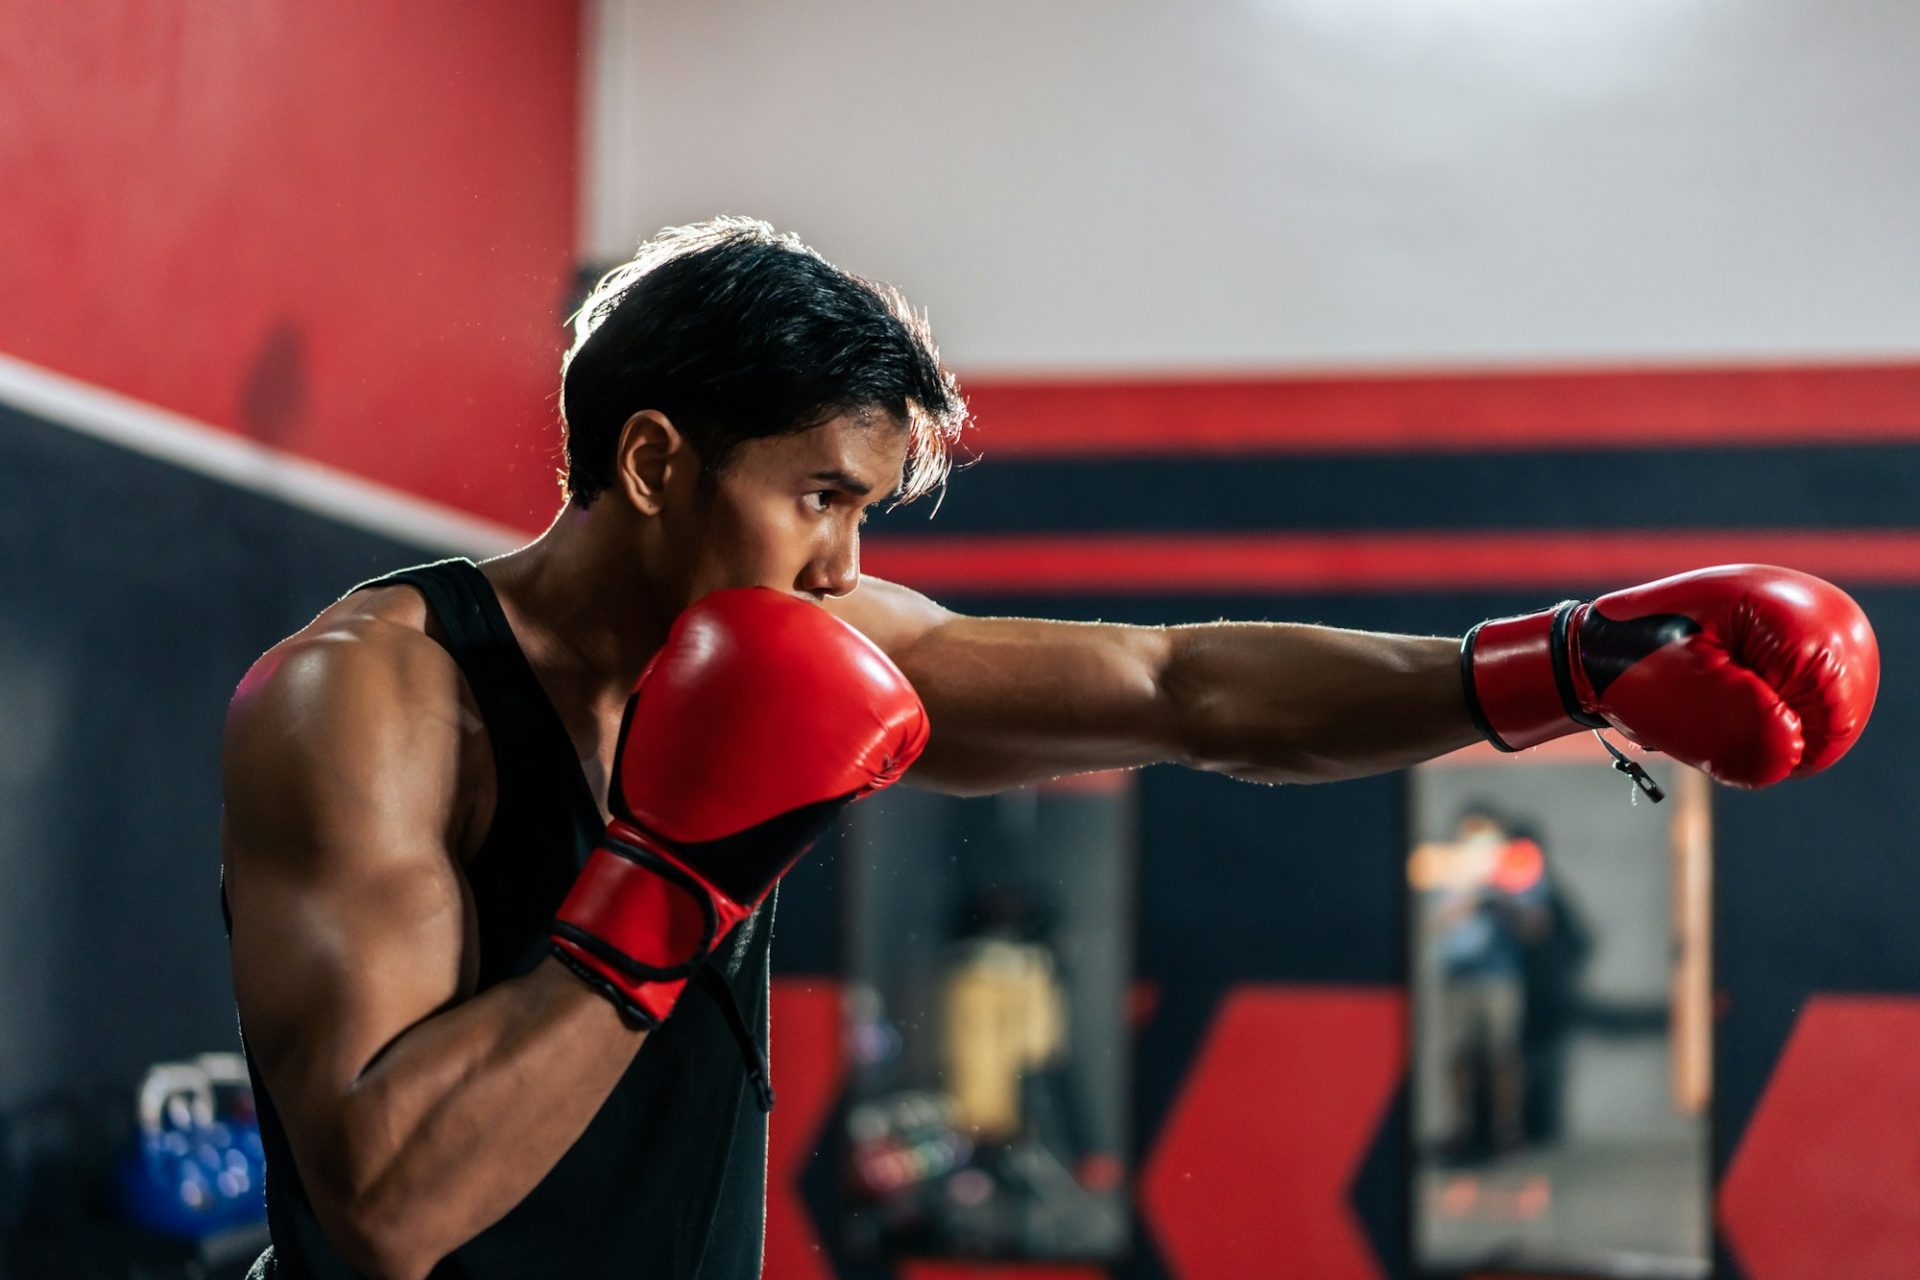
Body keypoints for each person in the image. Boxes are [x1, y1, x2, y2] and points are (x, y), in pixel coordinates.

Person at [219, 217, 1879, 1280]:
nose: (847, 570)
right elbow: (388, 1209)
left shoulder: (814, 644)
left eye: (865, 514)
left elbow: (1177, 688)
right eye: (816, 499)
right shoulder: (372, 697)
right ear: (654, 463)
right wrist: (670, 878)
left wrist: (1548, 669)